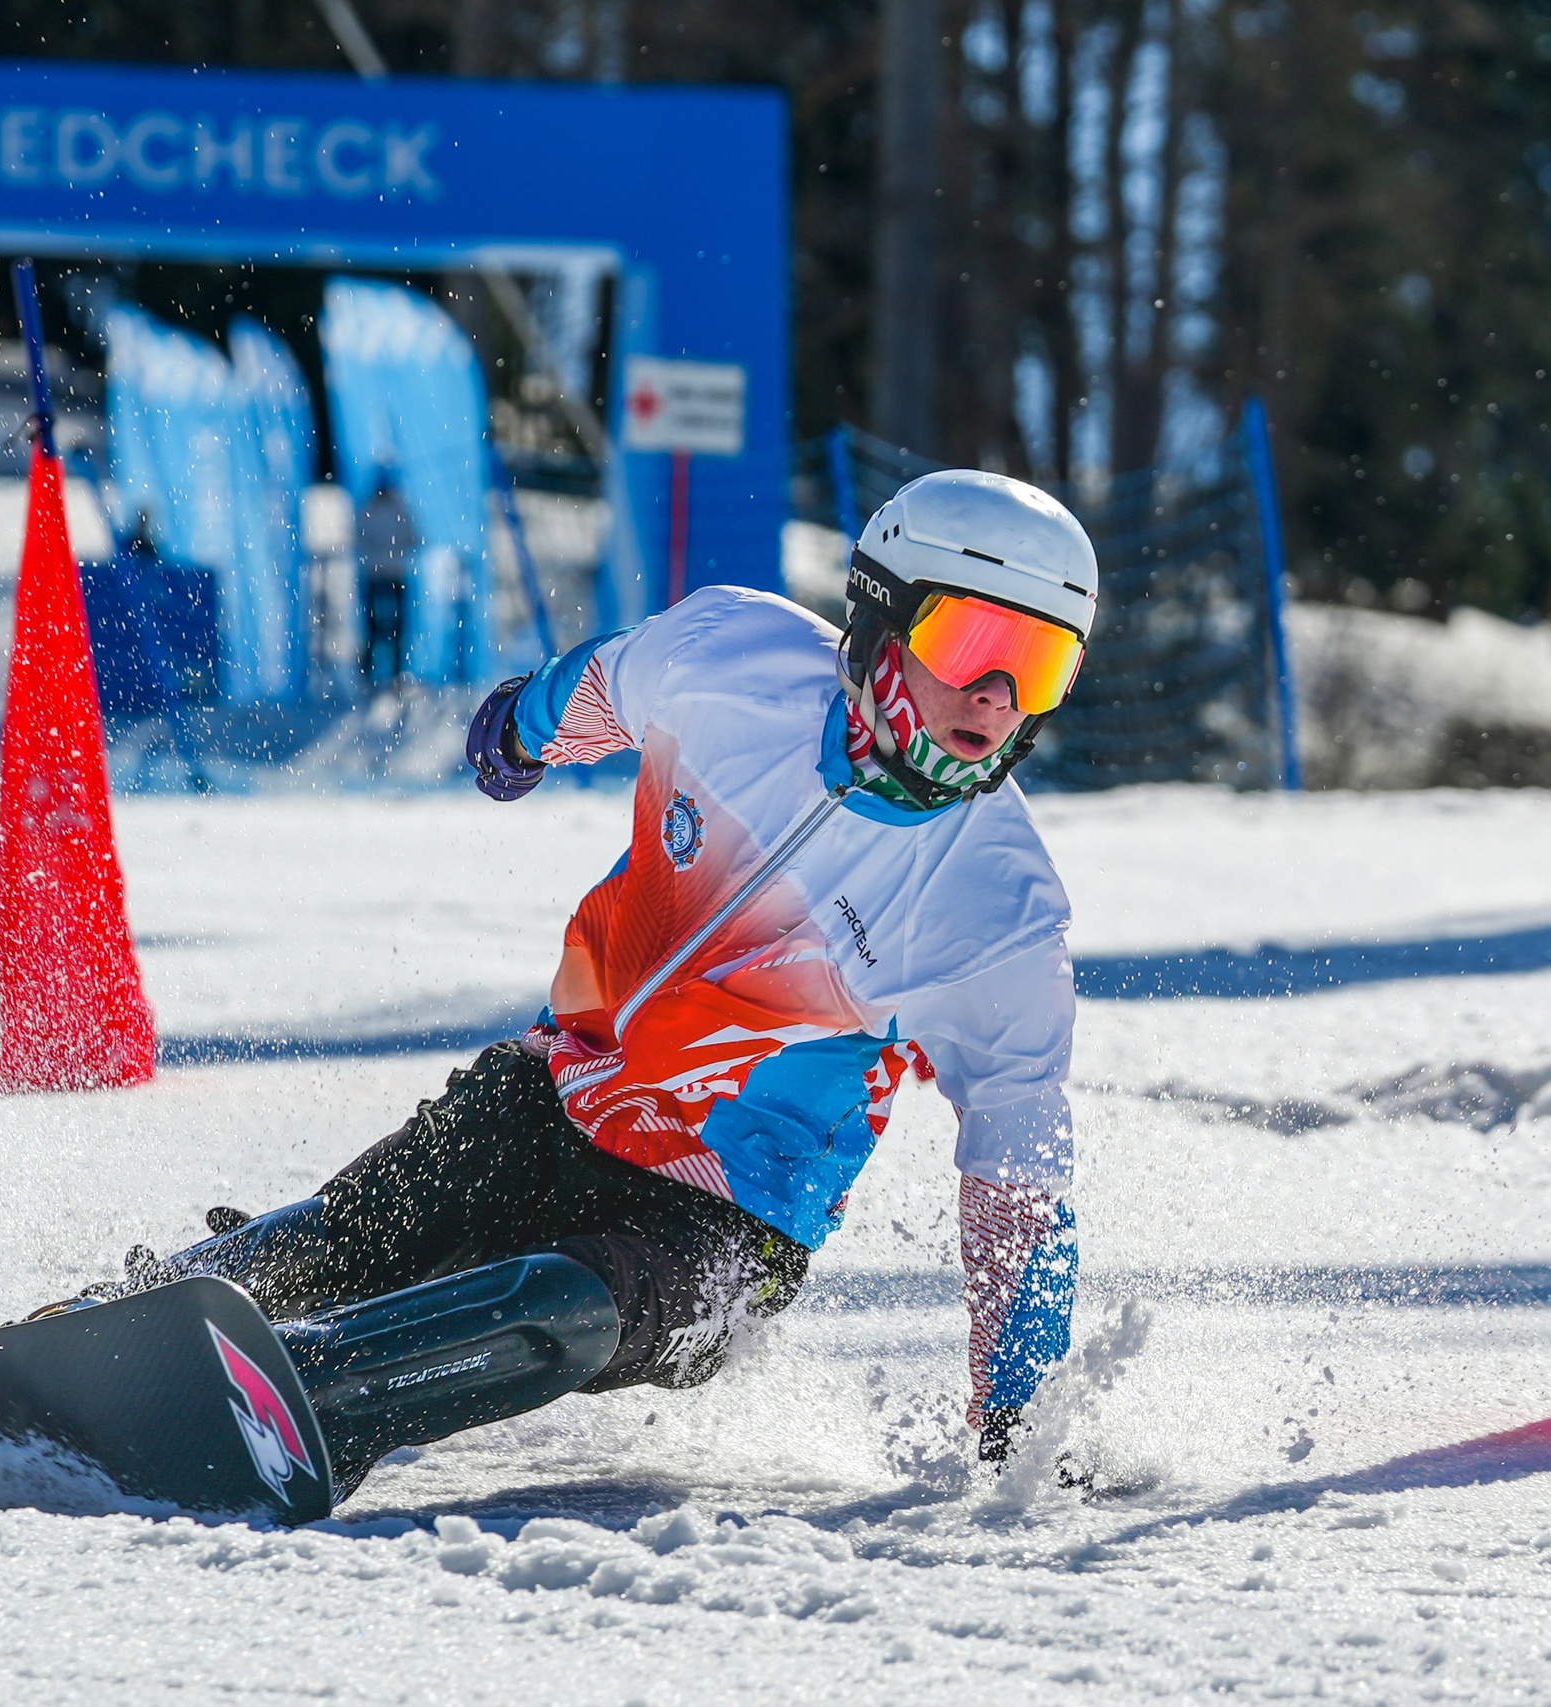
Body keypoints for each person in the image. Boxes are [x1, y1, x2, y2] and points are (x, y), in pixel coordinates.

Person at [73, 469, 1098, 1483]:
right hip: (559, 1088)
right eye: (973, 643)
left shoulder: (996, 907)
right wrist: (522, 732)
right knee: (366, 1229)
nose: (997, 697)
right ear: (881, 618)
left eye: (1041, 669)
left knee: (558, 1302)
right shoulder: (737, 657)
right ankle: (98, 1333)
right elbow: (608, 680)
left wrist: (1019, 1410)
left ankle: (304, 1400)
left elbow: (1021, 1178)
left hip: (729, 1222)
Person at [356, 470, 419, 691]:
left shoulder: (369, 510)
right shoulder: (398, 510)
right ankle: (392, 673)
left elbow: (359, 538)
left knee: (376, 626)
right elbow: (414, 538)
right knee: (396, 626)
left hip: (375, 573)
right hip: (393, 573)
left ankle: (370, 673)